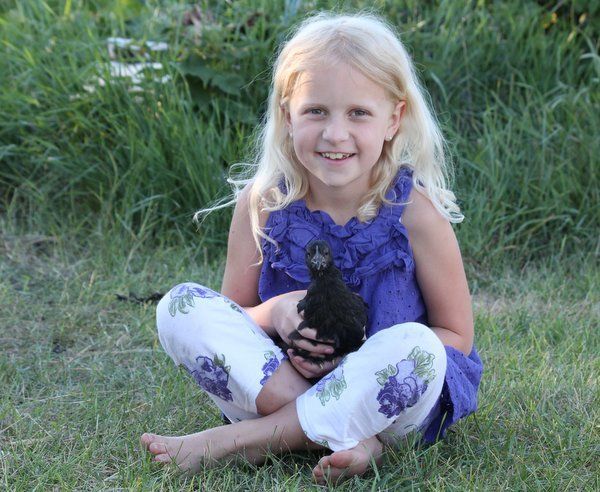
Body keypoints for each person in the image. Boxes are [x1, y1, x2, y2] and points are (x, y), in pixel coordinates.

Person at [141, 12, 483, 484]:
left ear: (393, 119)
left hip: (383, 396)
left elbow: (456, 335)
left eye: (358, 113)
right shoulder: (263, 204)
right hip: (283, 379)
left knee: (418, 348)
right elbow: (234, 314)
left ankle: (245, 440)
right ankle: (352, 440)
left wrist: (360, 364)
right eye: (316, 111)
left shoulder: (415, 213)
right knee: (179, 306)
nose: (335, 133)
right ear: (288, 115)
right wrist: (276, 311)